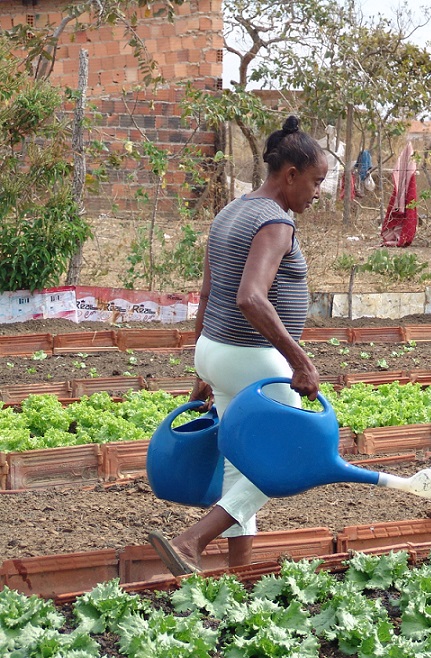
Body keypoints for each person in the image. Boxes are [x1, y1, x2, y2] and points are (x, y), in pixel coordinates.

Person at [148, 115, 327, 575]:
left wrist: (203, 368)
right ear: (290, 175)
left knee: (240, 469)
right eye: (315, 181)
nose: (317, 192)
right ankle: (192, 540)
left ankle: (238, 579)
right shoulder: (275, 221)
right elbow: (250, 297)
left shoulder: (231, 210)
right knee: (280, 463)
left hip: (217, 350)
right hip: (255, 362)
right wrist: (300, 360)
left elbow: (208, 294)